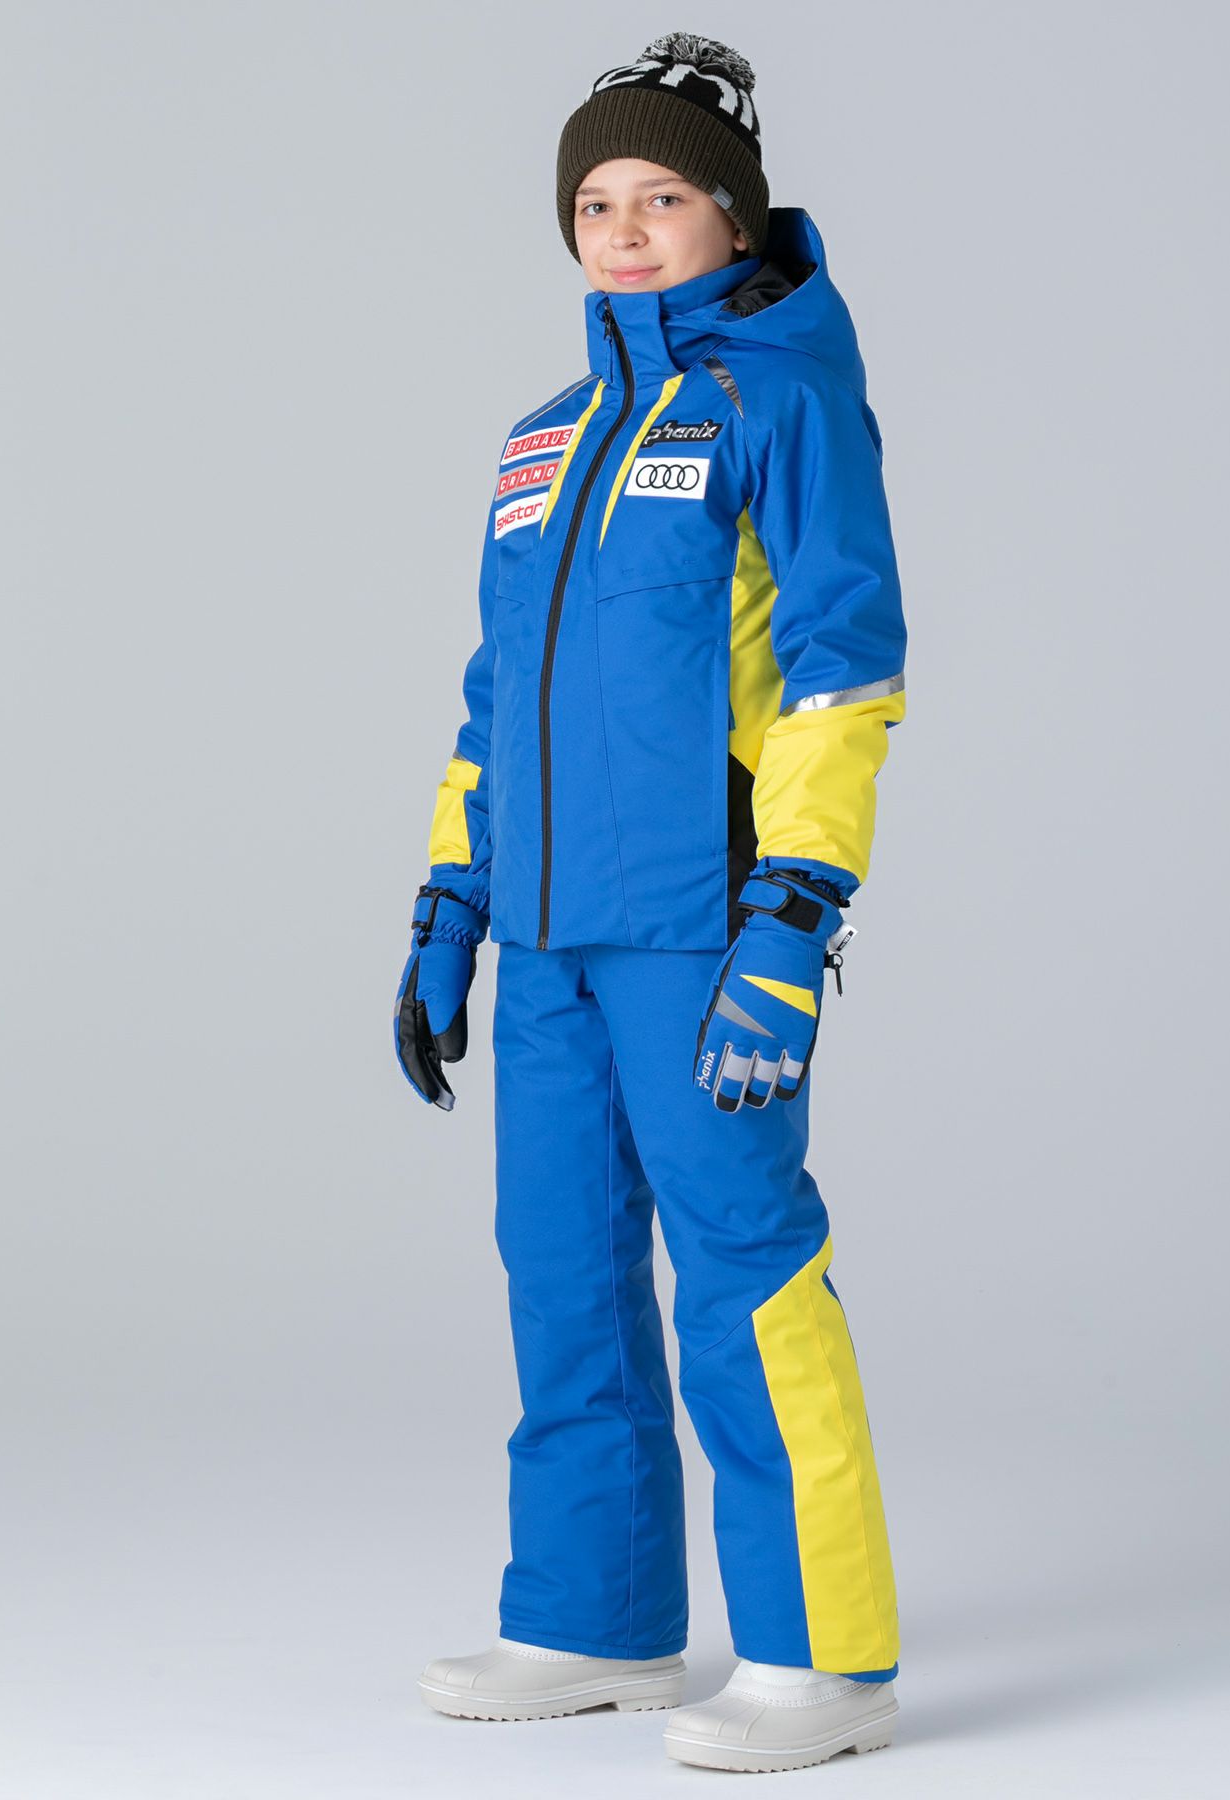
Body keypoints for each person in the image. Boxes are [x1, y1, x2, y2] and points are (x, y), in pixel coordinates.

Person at [393, 32, 908, 1774]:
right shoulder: (542, 441)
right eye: (595, 201)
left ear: (733, 217)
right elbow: (496, 697)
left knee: (747, 1276)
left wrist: (796, 915)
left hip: (702, 926)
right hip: (546, 933)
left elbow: (842, 671)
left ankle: (823, 1659)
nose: (622, 230)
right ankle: (594, 1618)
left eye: (663, 197)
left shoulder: (783, 402)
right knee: (560, 1273)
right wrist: (450, 906)